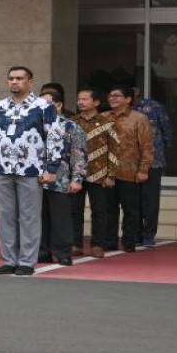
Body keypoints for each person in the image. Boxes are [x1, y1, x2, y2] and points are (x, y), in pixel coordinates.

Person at [0, 66, 62, 277]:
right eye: (11, 78)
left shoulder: (44, 106)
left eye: (19, 78)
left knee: (29, 216)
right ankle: (9, 260)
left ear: (30, 82)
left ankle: (27, 261)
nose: (14, 82)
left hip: (32, 168)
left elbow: (54, 137)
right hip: (1, 168)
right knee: (6, 215)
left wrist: (51, 168)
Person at [38, 89, 87, 266]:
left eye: (47, 104)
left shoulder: (71, 127)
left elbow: (79, 155)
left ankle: (62, 252)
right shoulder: (34, 126)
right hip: (35, 181)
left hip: (61, 180)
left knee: (61, 218)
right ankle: (42, 251)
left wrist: (77, 179)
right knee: (38, 218)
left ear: (59, 105)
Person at [106, 85, 153, 253]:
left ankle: (129, 241)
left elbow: (146, 145)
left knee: (131, 210)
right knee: (108, 209)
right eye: (111, 95)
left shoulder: (139, 118)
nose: (112, 98)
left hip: (130, 170)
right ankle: (109, 241)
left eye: (117, 96)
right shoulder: (104, 117)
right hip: (107, 173)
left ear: (128, 99)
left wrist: (144, 169)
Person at [74, 88, 118, 258]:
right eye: (79, 99)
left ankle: (98, 244)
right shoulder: (72, 122)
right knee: (75, 211)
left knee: (99, 211)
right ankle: (75, 244)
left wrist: (111, 175)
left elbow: (115, 150)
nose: (80, 102)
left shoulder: (108, 123)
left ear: (96, 102)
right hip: (76, 175)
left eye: (85, 99)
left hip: (99, 175)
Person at [133, 86, 173, 246]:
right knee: (132, 201)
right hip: (129, 163)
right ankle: (134, 234)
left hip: (154, 161)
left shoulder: (154, 107)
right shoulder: (122, 111)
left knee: (150, 200)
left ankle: (148, 234)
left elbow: (167, 130)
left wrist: (160, 149)